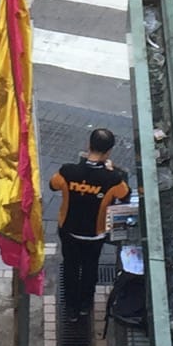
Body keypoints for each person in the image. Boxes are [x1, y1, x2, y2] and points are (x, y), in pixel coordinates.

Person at [49, 128, 132, 326]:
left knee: (70, 267)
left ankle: (71, 309)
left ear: (88, 146)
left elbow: (53, 185)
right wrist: (113, 171)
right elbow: (125, 195)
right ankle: (86, 305)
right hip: (95, 235)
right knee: (90, 267)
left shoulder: (68, 171)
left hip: (69, 231)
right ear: (109, 152)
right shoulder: (112, 179)